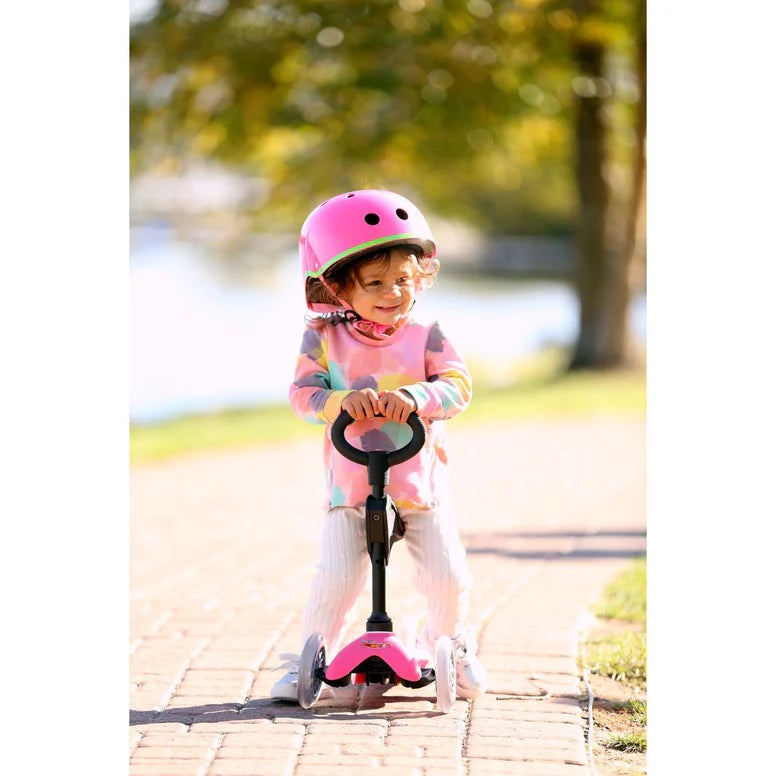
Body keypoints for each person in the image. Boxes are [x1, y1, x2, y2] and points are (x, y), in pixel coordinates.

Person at [271, 189, 487, 702]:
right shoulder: (323, 337)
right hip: (349, 487)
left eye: (404, 280)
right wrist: (339, 403)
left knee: (447, 575)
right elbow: (303, 395)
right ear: (340, 286)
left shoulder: (427, 333)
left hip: (418, 485)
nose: (393, 293)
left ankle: (448, 644)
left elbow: (458, 387)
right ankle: (310, 655)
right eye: (375, 283)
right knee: (336, 578)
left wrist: (414, 397)